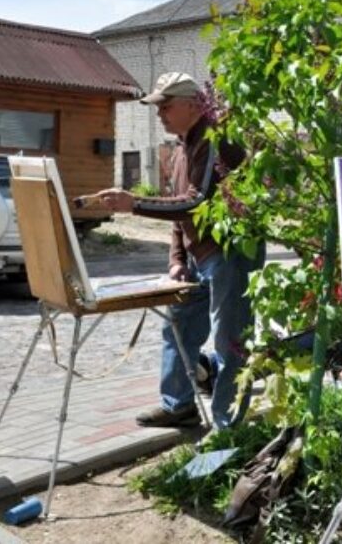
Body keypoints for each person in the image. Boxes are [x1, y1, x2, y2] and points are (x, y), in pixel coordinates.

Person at [96, 72, 265, 430]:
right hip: (198, 257)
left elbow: (196, 203)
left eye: (166, 106)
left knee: (230, 340)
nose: (160, 115)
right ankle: (179, 406)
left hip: (230, 255)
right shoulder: (180, 148)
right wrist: (177, 259)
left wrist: (134, 204)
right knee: (177, 328)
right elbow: (179, 214)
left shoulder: (215, 140)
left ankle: (227, 426)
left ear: (193, 104)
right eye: (158, 108)